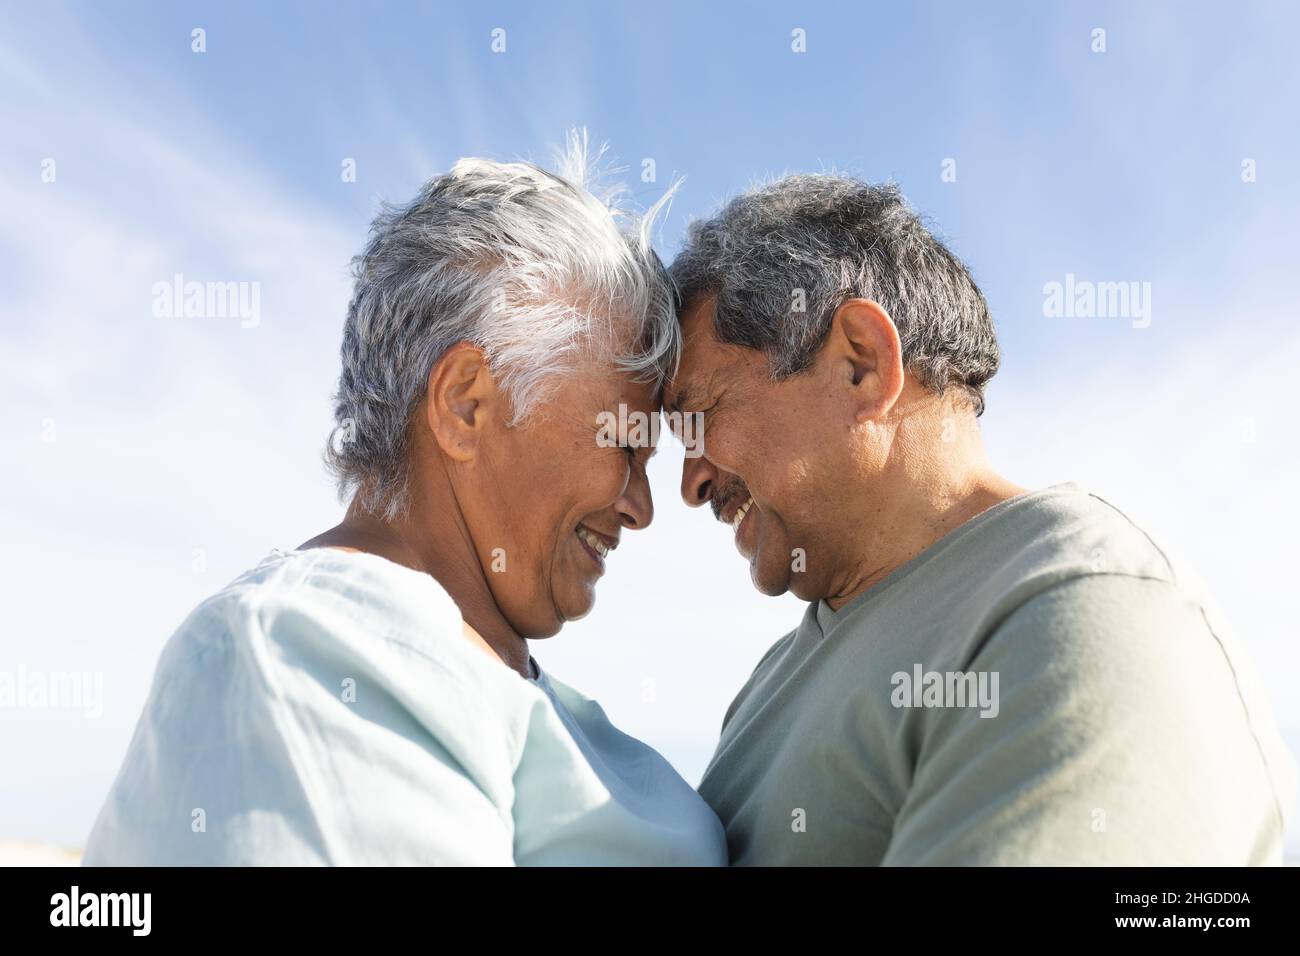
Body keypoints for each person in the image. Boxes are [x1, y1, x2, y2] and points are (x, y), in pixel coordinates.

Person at [82, 134, 726, 866]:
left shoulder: (507, 685)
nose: (643, 506)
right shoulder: (302, 652)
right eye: (624, 443)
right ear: (464, 405)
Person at [666, 174, 1297, 865]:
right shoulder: (766, 686)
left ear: (862, 365)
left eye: (700, 417)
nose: (692, 483)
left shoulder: (1080, 605)